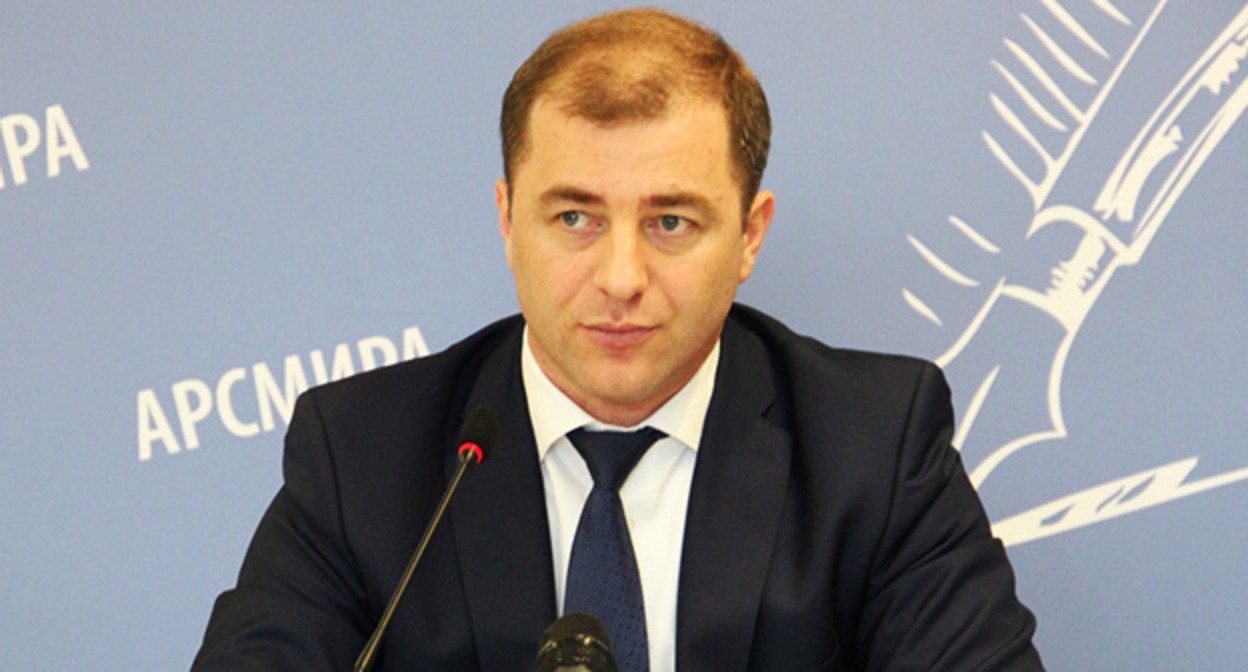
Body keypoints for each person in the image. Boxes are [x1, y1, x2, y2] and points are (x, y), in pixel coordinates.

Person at [192, 8, 1044, 671]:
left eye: (671, 221)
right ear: (508, 221)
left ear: (750, 235)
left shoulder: (873, 446)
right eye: (575, 217)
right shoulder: (363, 456)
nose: (621, 277)